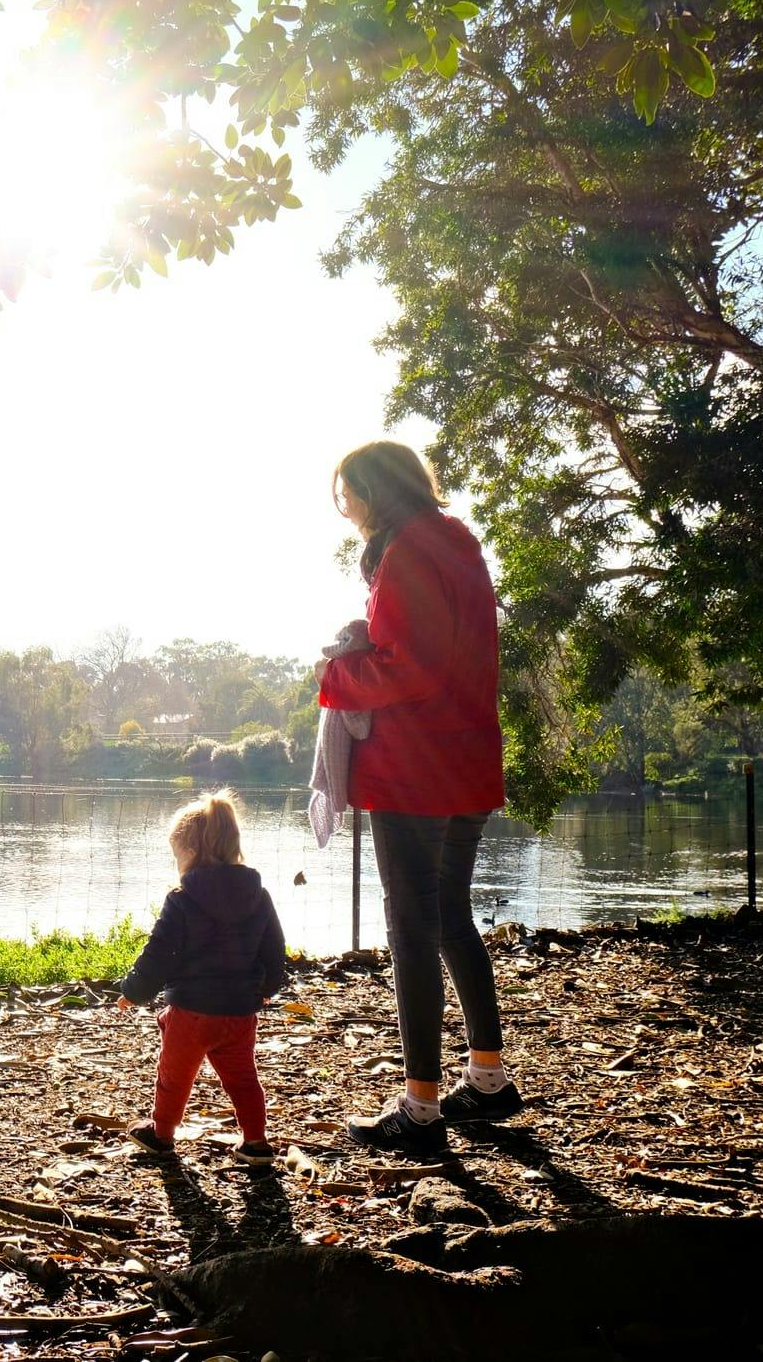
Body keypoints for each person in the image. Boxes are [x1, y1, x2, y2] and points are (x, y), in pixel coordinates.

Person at [315, 439, 523, 1157]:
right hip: (466, 762)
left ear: (373, 492)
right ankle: (489, 1078)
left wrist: (338, 676)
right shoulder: (459, 542)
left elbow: (410, 665)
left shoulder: (405, 552)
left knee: (410, 927)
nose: (347, 512)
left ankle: (421, 1107)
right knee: (447, 915)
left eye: (348, 497)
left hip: (415, 769)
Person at [117, 789, 286, 1165]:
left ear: (192, 852)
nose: (177, 864)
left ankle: (161, 1135)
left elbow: (160, 953)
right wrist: (267, 988)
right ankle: (256, 1142)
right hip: (240, 1012)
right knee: (243, 1078)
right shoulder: (259, 896)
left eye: (178, 855)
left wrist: (134, 991)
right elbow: (274, 949)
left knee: (174, 1076)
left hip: (191, 1013)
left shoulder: (181, 898)